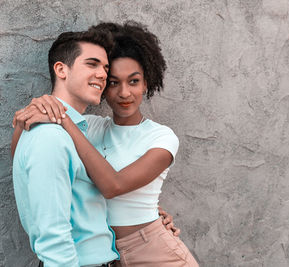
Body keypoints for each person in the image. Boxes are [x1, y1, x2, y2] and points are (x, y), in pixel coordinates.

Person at [13, 22, 199, 267]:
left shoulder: (161, 137)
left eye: (134, 81)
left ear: (146, 83)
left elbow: (114, 186)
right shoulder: (89, 127)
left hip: (152, 250)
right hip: (108, 254)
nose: (124, 93)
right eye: (113, 82)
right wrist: (27, 116)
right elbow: (26, 159)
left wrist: (63, 118)